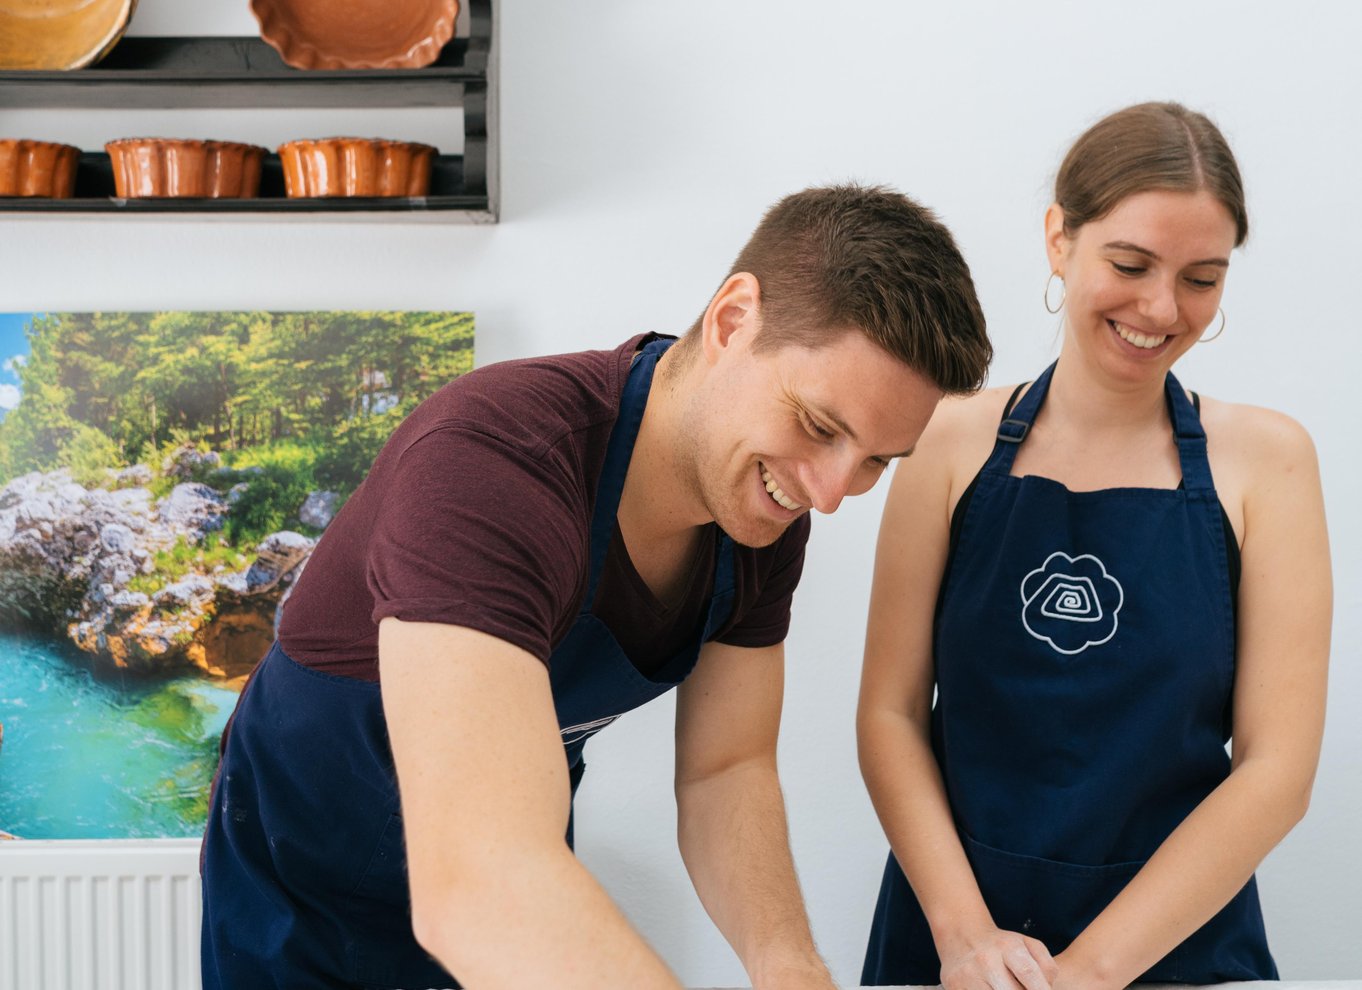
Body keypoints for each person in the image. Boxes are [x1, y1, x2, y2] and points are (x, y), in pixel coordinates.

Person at [200, 183, 993, 990]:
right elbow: (476, 886)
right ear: (731, 321)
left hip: (520, 871)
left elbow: (728, 769)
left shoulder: (761, 514)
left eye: (873, 462)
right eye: (821, 427)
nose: (828, 493)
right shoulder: (493, 462)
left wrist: (789, 967)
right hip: (306, 896)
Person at [858, 102, 1332, 990]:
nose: (1161, 308)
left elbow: (1276, 771)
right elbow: (888, 713)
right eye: (1130, 263)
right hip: (955, 947)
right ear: (1058, 241)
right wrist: (966, 941)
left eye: (1202, 278)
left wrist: (1090, 972)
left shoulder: (1272, 464)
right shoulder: (947, 440)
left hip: (1176, 948)